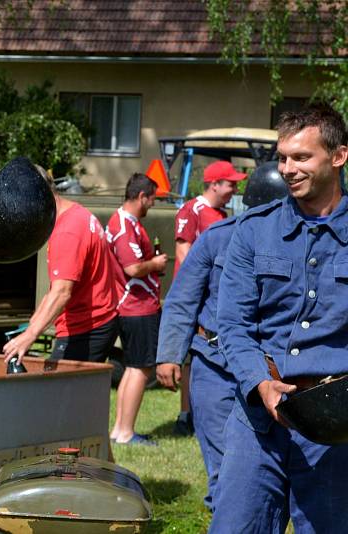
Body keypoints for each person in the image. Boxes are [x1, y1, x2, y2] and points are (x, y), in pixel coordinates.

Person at [211, 104, 348, 533]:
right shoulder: (253, 229)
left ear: (339, 156)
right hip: (257, 418)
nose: (288, 169)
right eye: (283, 157)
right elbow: (232, 323)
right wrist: (259, 382)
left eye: (302, 157)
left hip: (335, 430)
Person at [156, 161, 287, 512]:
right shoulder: (218, 237)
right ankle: (223, 513)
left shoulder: (295, 243)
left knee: (258, 463)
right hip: (213, 364)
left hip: (268, 370)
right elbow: (183, 298)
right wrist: (169, 354)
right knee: (221, 460)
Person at [2, 174, 118, 365]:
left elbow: (62, 292)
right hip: (97, 322)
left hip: (88, 327)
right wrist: (31, 326)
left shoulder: (67, 232)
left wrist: (30, 336)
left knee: (54, 391)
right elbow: (55, 290)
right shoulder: (77, 214)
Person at [172, 160, 247, 435]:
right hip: (198, 297)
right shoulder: (192, 210)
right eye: (231, 183)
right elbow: (185, 255)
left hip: (216, 297)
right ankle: (186, 414)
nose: (235, 188)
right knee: (195, 355)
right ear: (214, 184)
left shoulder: (222, 213)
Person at [106, 173, 167, 445]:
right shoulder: (124, 225)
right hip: (136, 306)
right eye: (152, 199)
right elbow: (132, 268)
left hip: (134, 305)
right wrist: (155, 264)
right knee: (141, 369)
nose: (152, 204)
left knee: (133, 368)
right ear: (142, 196)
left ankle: (120, 429)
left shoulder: (126, 222)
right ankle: (126, 431)